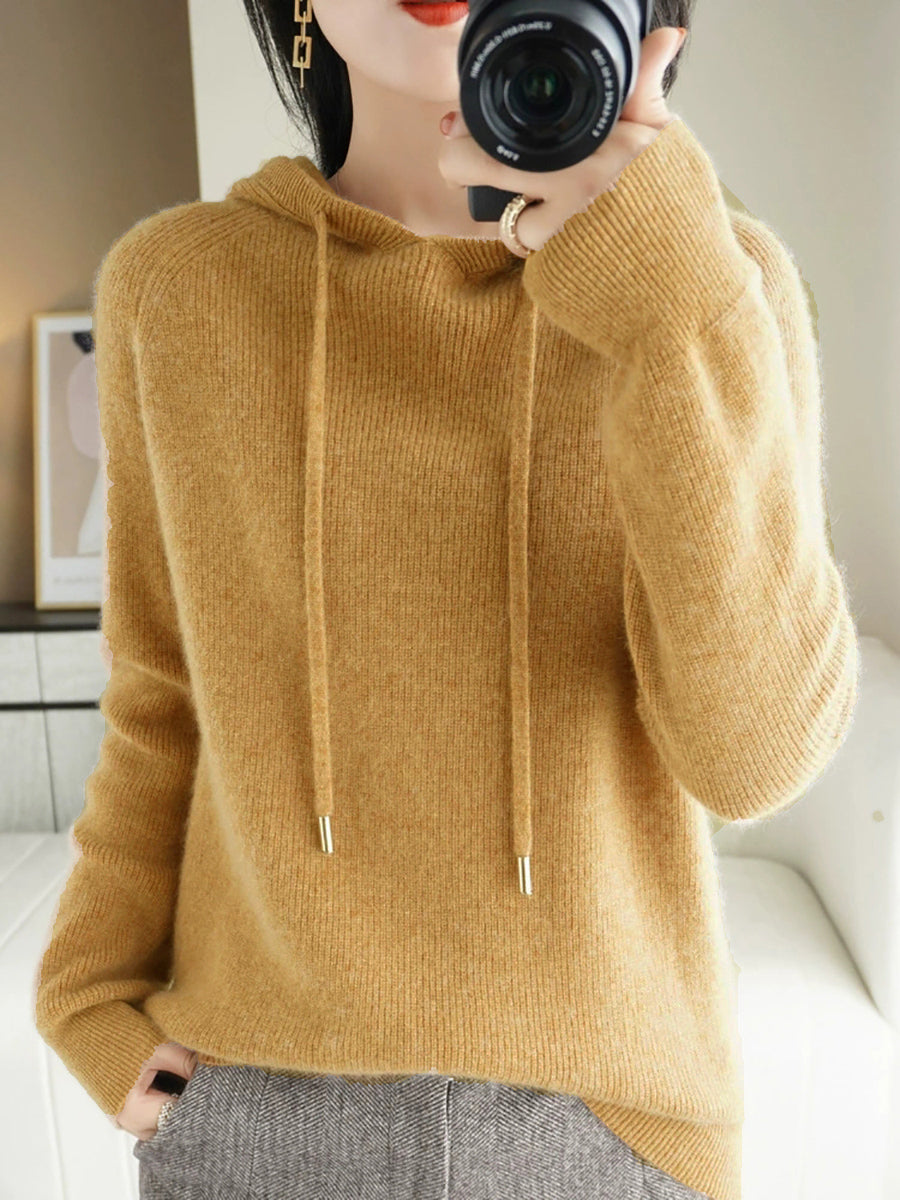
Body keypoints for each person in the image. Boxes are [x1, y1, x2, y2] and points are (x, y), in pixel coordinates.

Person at [33, 1, 860, 1198]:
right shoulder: (179, 289)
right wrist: (87, 994)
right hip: (253, 1116)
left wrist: (671, 305)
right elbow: (162, 698)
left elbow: (756, 756)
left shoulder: (713, 286)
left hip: (611, 1134)